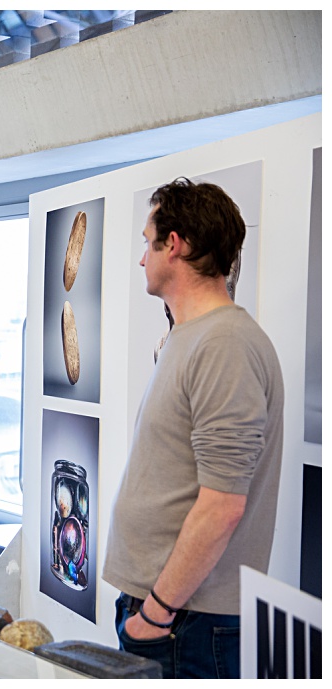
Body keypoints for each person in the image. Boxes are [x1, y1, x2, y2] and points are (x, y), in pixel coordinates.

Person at [103, 178, 284, 679]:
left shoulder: (225, 344)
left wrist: (156, 613)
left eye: (147, 241)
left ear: (175, 244)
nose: (143, 258)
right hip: (175, 615)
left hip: (187, 622)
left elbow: (223, 505)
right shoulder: (190, 337)